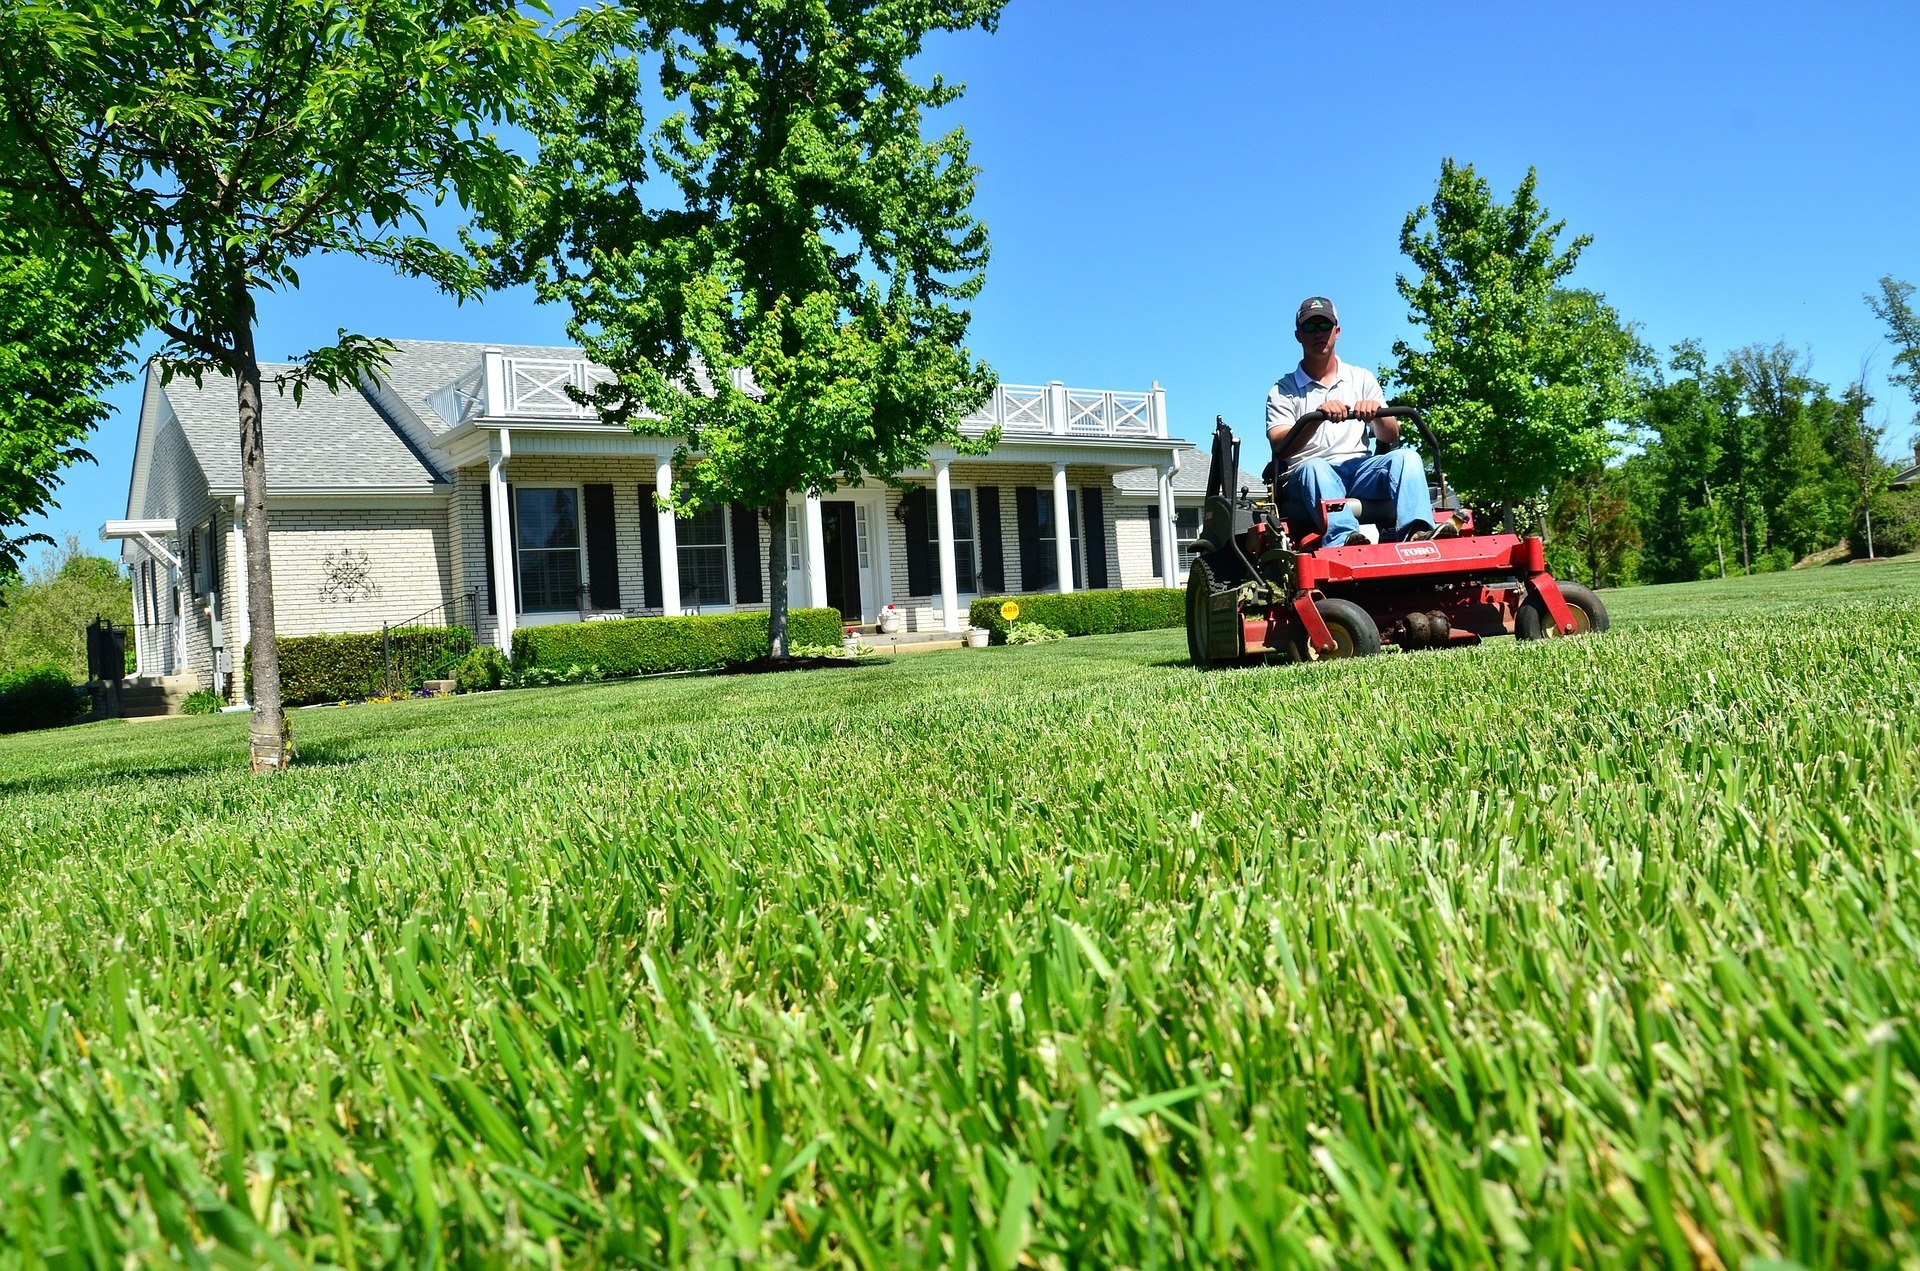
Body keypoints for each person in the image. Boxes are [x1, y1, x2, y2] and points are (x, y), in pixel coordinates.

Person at [1265, 296, 1451, 545]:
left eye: (1325, 326)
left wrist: (1377, 415)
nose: (1318, 333)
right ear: (1298, 335)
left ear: (1337, 331)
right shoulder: (1283, 389)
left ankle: (1416, 532)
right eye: (1309, 327)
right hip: (1307, 475)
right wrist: (1317, 419)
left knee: (1407, 457)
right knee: (1315, 467)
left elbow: (1390, 435)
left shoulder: (1361, 378)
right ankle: (1344, 539)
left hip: (1359, 470)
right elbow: (1280, 444)